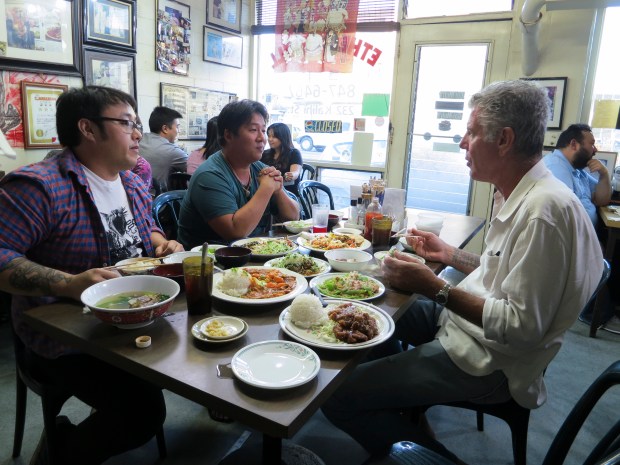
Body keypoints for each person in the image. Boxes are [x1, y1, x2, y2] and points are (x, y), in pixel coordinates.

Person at [321, 80, 604, 463]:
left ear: (503, 139)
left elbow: (519, 327)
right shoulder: (524, 192)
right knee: (377, 302)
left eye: (471, 133)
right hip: (467, 328)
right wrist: (450, 254)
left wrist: (435, 287)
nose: (462, 143)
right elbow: (503, 271)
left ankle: (422, 453)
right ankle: (403, 413)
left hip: (488, 361)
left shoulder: (543, 213)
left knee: (336, 395)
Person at [0, 86, 184, 465]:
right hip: (67, 338)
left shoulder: (131, 180)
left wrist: (161, 243)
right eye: (127, 123)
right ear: (87, 128)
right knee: (142, 414)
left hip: (136, 315)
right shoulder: (40, 186)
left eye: (137, 123)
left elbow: (146, 230)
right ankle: (58, 451)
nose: (138, 133)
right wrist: (68, 283)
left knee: (206, 351)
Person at [177, 99, 300, 247]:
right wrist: (267, 188)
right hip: (210, 263)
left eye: (263, 130)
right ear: (228, 135)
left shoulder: (258, 168)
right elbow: (235, 232)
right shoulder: (210, 175)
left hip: (256, 256)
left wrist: (278, 190)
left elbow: (293, 218)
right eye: (253, 130)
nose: (262, 138)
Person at [543, 123, 611, 227]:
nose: (595, 150)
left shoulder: (577, 169)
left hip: (585, 238)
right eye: (592, 144)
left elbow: (601, 199)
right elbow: (563, 218)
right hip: (574, 241)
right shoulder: (555, 168)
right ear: (574, 144)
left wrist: (604, 174)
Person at [139, 106, 188, 191]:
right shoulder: (172, 151)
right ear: (165, 129)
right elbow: (196, 167)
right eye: (177, 127)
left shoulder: (140, 138)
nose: (179, 131)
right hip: (156, 201)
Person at [261, 122, 303, 197]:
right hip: (269, 193)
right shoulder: (265, 153)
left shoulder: (294, 153)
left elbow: (296, 173)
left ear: (283, 137)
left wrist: (291, 175)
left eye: (274, 137)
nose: (270, 139)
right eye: (269, 136)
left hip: (289, 194)